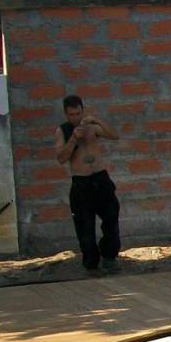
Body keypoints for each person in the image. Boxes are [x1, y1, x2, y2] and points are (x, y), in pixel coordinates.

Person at [55, 94, 122, 272]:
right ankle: (91, 264)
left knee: (111, 218)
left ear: (82, 111)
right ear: (66, 114)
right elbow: (61, 158)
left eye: (78, 113)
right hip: (81, 183)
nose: (75, 118)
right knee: (85, 227)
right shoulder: (63, 131)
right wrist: (73, 139)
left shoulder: (92, 128)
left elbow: (114, 135)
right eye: (71, 114)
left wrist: (96, 120)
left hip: (100, 179)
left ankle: (109, 255)